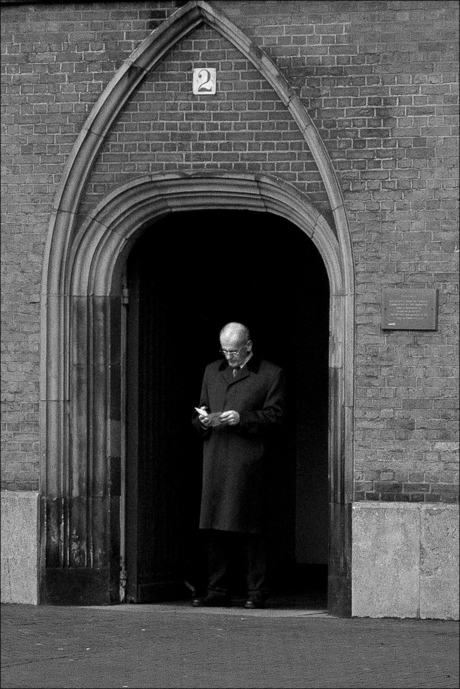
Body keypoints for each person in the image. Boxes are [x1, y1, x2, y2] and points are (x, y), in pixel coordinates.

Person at [191, 322, 285, 609]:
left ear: (249, 346)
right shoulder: (211, 371)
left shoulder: (270, 373)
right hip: (216, 458)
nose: (229, 356)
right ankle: (217, 590)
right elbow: (201, 409)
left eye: (234, 350)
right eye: (225, 350)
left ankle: (256, 592)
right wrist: (203, 420)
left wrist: (241, 418)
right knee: (215, 527)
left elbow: (276, 416)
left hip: (248, 461)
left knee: (251, 529)